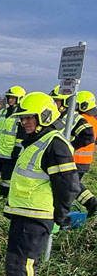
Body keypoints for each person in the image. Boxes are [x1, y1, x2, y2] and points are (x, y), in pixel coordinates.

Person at [0, 92, 80, 276]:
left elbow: (68, 185)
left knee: (22, 266)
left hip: (36, 217)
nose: (25, 122)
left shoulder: (55, 144)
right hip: (24, 214)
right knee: (14, 264)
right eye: (24, 118)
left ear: (45, 116)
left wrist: (60, 216)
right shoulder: (38, 140)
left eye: (30, 118)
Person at [51, 86, 97, 215]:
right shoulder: (59, 116)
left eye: (57, 100)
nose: (54, 103)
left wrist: (68, 147)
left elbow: (88, 136)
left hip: (75, 159)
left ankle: (63, 215)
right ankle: (92, 204)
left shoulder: (76, 118)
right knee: (73, 185)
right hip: (70, 159)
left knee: (69, 187)